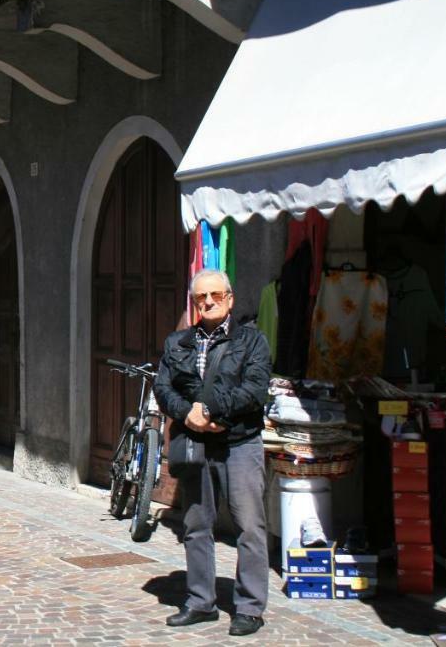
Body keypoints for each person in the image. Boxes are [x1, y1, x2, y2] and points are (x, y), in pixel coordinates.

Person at [153, 269, 272, 637]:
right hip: (195, 444)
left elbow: (255, 388)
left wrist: (211, 411)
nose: (208, 302)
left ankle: (250, 608)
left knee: (249, 525)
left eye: (215, 296)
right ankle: (200, 601)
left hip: (239, 442)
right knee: (195, 524)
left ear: (230, 299)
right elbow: (163, 386)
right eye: (201, 297)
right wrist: (185, 411)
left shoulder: (252, 341)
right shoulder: (178, 343)